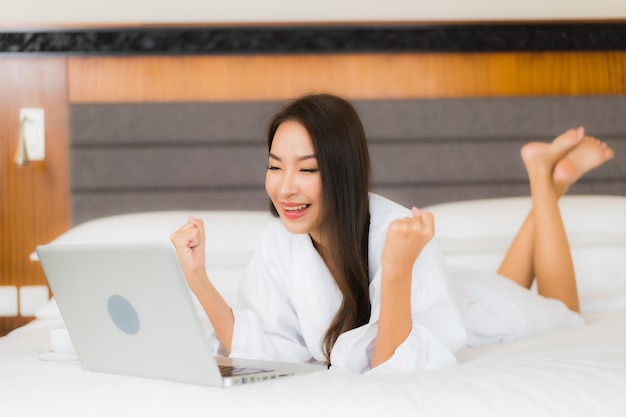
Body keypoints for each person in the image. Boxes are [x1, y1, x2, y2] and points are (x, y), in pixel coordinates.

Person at [171, 93, 615, 375]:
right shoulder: (279, 241)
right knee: (503, 285)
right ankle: (548, 180)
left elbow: (391, 368)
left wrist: (399, 266)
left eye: (307, 169)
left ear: (343, 172)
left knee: (566, 313)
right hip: (458, 294)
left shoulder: (395, 232)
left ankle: (544, 182)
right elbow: (261, 349)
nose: (285, 187)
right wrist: (198, 280)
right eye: (274, 166)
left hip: (476, 314)